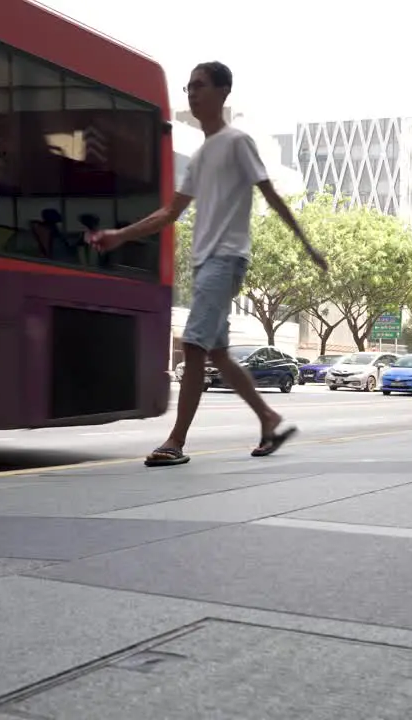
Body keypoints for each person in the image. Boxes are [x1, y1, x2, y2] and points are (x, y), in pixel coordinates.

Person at [88, 61, 327, 467]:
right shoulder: (200, 156)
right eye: (188, 87)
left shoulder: (237, 142)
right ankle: (269, 420)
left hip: (226, 259)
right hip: (205, 265)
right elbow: (168, 213)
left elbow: (270, 195)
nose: (191, 93)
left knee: (194, 346)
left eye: (199, 85)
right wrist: (119, 235)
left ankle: (176, 441)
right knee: (217, 353)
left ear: (222, 92)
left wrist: (306, 244)